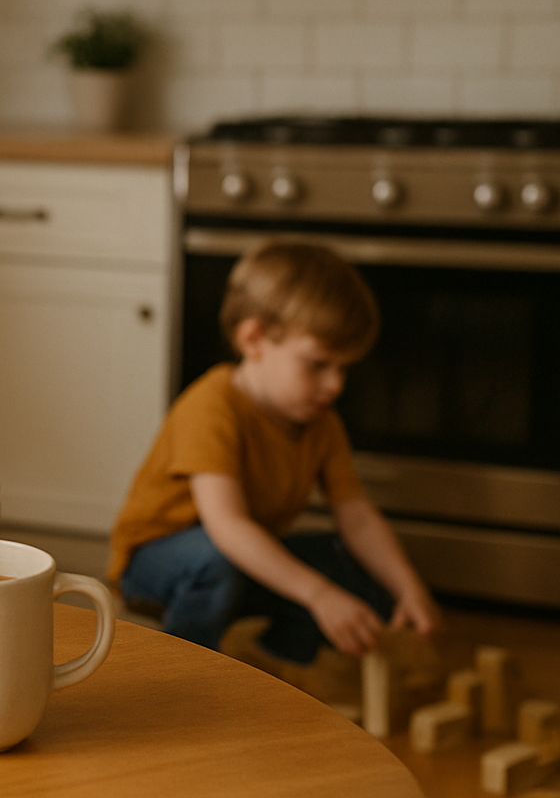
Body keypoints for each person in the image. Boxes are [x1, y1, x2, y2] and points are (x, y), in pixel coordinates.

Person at [108, 240, 439, 665]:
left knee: (351, 564)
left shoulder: (321, 423)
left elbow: (356, 516)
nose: (335, 385)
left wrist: (409, 588)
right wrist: (319, 595)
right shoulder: (212, 407)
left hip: (242, 558)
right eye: (318, 364)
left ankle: (276, 663)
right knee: (217, 560)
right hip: (159, 563)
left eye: (343, 368)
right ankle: (182, 672)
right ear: (254, 338)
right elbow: (227, 527)